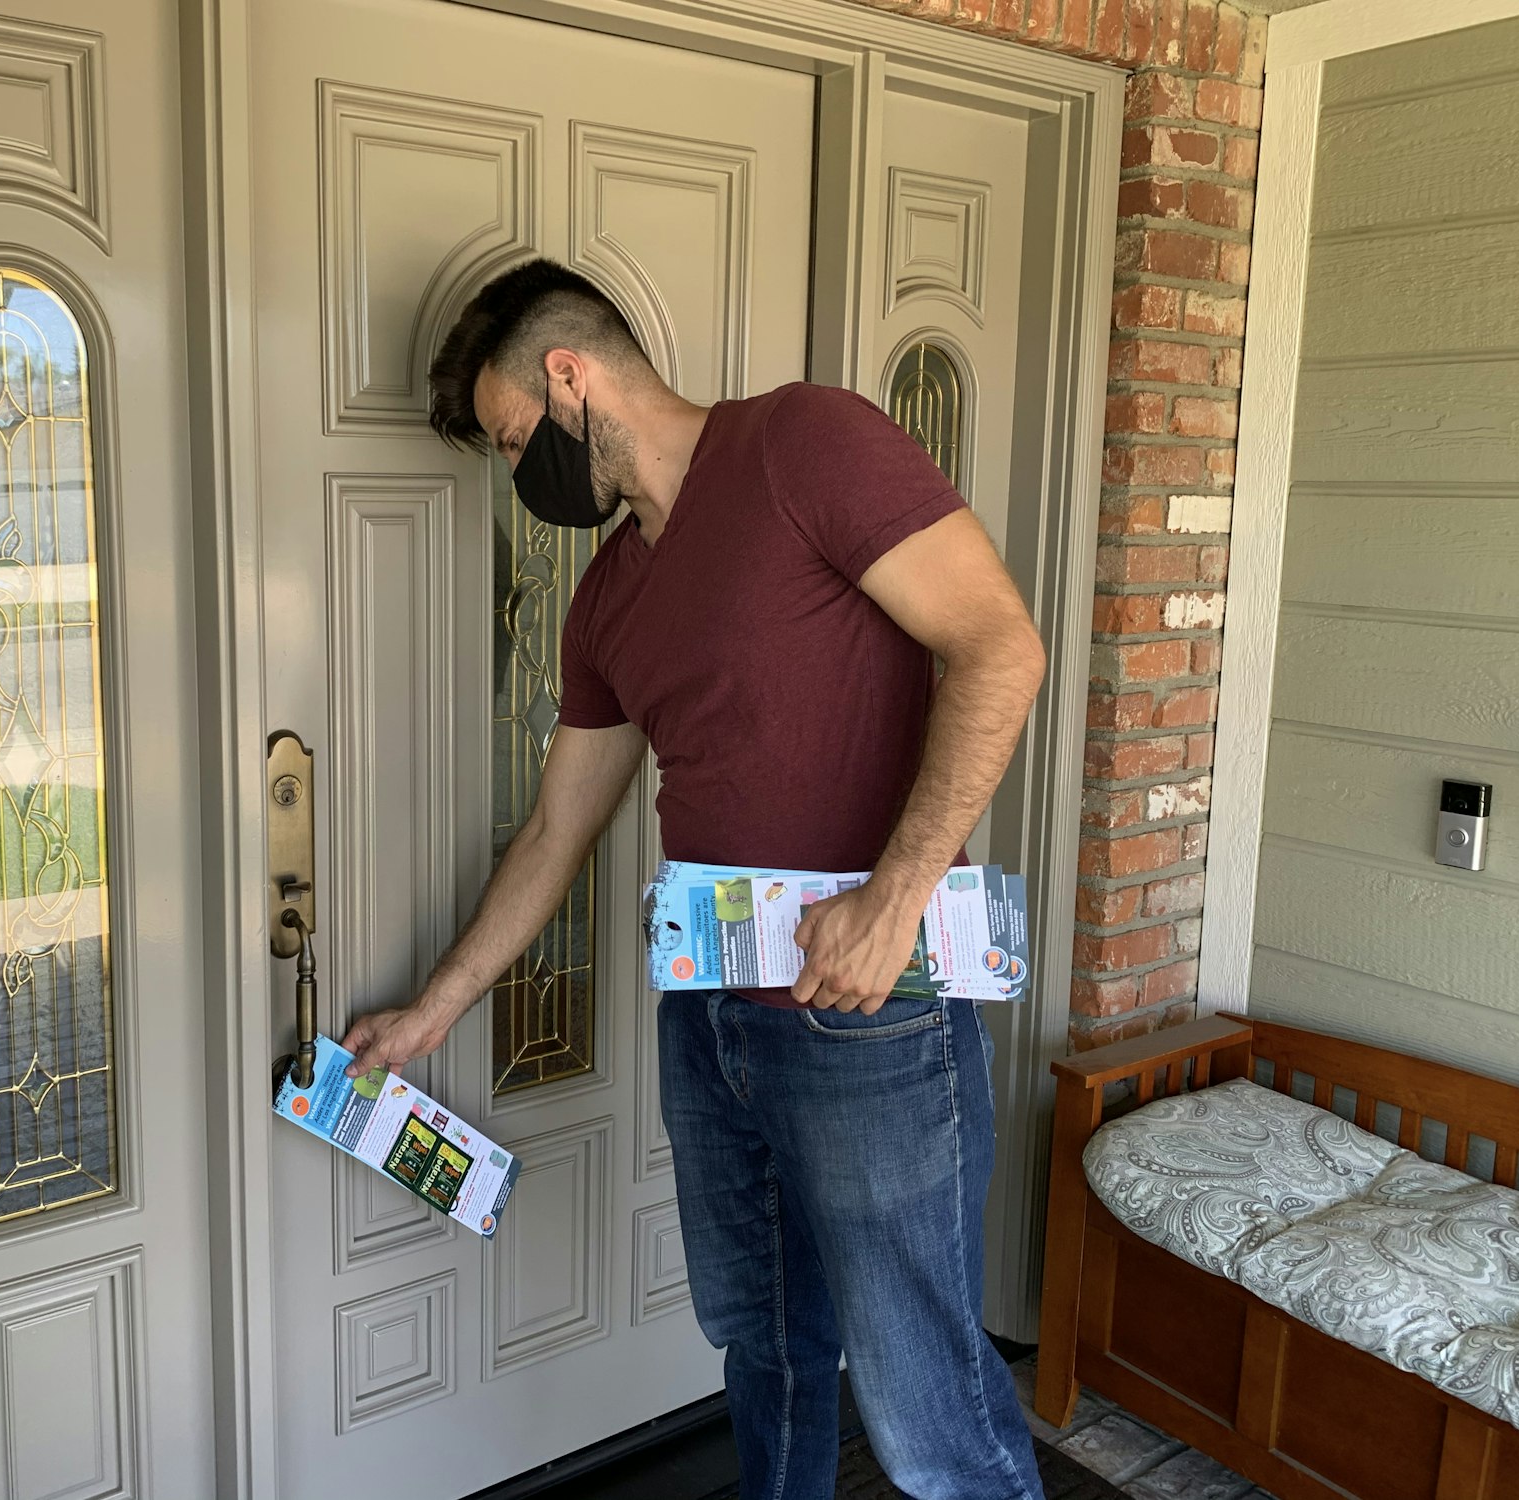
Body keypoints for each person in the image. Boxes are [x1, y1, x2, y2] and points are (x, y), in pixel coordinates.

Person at [339, 259, 1048, 1500]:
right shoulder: (608, 598)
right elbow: (556, 831)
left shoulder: (803, 443)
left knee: (922, 1399)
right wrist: (435, 1009)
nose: (519, 478)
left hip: (864, 1025)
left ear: (569, 377)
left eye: (513, 442)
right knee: (763, 1349)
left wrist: (889, 902)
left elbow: (999, 645)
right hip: (712, 1021)